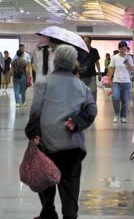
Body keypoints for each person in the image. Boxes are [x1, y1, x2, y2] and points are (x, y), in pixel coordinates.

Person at [25, 45, 97, 219]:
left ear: (55, 61)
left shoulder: (43, 83)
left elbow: (35, 112)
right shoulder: (81, 87)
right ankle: (70, 215)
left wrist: (32, 133)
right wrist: (77, 122)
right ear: (73, 63)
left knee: (45, 180)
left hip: (46, 144)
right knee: (70, 186)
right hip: (72, 147)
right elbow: (92, 110)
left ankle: (48, 213)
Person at [107, 41, 134, 123]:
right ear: (118, 49)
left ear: (127, 49)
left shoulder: (129, 58)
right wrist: (109, 79)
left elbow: (132, 69)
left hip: (126, 81)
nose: (123, 51)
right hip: (116, 81)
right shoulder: (114, 58)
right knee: (115, 97)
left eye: (125, 49)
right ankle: (116, 114)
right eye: (121, 49)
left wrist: (128, 63)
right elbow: (111, 68)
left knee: (125, 100)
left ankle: (123, 116)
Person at [79, 36, 101, 101]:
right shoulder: (80, 51)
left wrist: (99, 73)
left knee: (94, 90)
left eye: (88, 42)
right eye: (85, 42)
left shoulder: (94, 51)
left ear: (90, 42)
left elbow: (97, 62)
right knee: (83, 92)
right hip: (83, 74)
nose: (87, 43)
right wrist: (78, 71)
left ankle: (93, 105)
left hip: (92, 74)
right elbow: (77, 61)